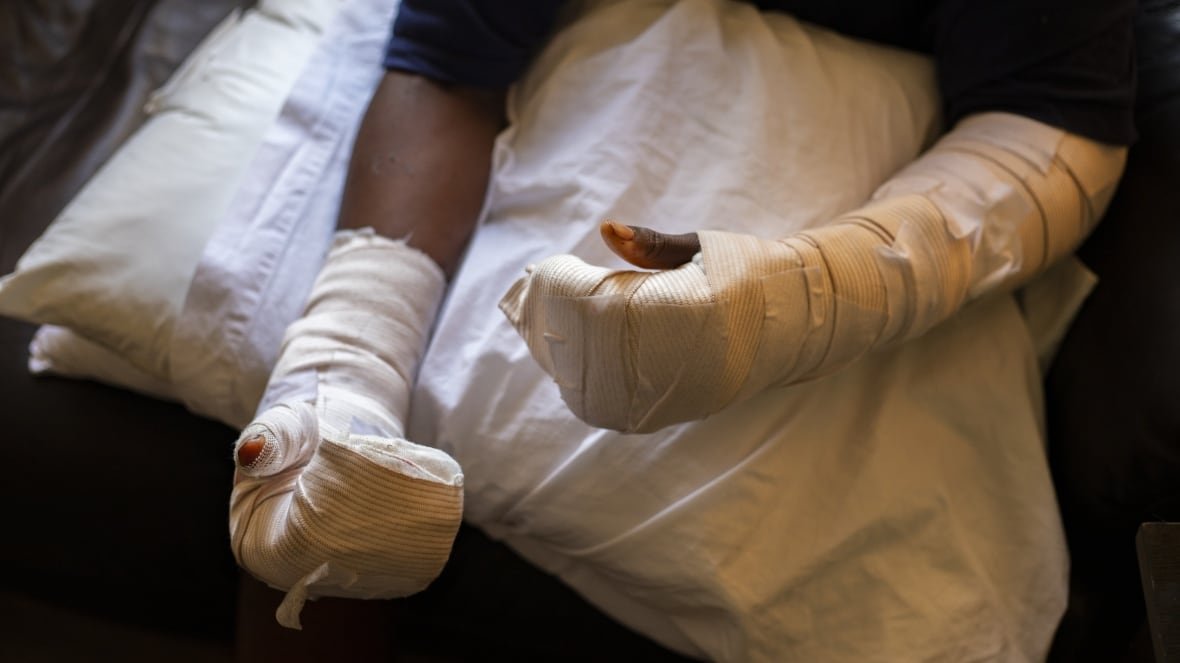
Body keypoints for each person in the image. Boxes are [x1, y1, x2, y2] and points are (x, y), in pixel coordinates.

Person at [228, 0, 1136, 641]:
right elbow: (444, 50)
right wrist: (346, 360)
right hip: (556, 108)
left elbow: (1055, 129)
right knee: (333, 490)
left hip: (891, 212)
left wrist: (801, 295)